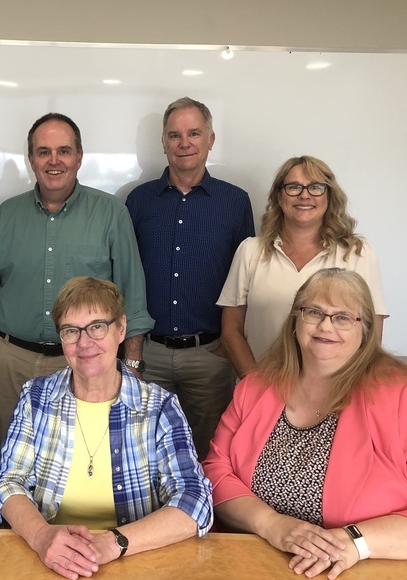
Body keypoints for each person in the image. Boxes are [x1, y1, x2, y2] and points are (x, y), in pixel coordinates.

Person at [202, 268, 407, 578]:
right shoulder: (255, 387)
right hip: (257, 564)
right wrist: (270, 523)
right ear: (296, 320)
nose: (326, 325)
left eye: (343, 317)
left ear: (365, 330)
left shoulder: (404, 394)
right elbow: (216, 471)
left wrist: (355, 542)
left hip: (363, 570)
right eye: (314, 312)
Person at [0, 277, 212, 580]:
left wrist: (114, 542)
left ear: (121, 329)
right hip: (48, 561)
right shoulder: (36, 397)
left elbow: (195, 500)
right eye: (71, 331)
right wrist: (41, 536)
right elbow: (6, 482)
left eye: (97, 327)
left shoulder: (159, 407)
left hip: (134, 562)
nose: (84, 343)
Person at [0, 113, 154, 441]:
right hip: (13, 363)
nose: (54, 161)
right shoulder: (7, 215)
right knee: (14, 457)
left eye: (64, 151)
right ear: (31, 159)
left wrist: (133, 363)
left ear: (79, 157)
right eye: (44, 152)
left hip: (87, 361)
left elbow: (132, 294)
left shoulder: (111, 213)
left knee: (80, 458)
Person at [125, 97, 254, 458]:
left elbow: (246, 280)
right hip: (148, 354)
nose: (184, 143)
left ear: (210, 139)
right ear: (163, 142)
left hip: (210, 356)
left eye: (194, 133)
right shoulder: (138, 201)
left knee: (209, 456)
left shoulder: (235, 202)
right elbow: (124, 276)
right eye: (175, 135)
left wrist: (228, 346)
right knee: (143, 452)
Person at [218, 155, 386, 379]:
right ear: (279, 196)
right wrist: (256, 386)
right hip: (262, 385)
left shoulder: (357, 254)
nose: (304, 195)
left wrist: (339, 388)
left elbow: (371, 336)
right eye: (294, 187)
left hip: (333, 390)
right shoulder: (250, 250)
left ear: (329, 196)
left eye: (315, 187)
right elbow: (231, 331)